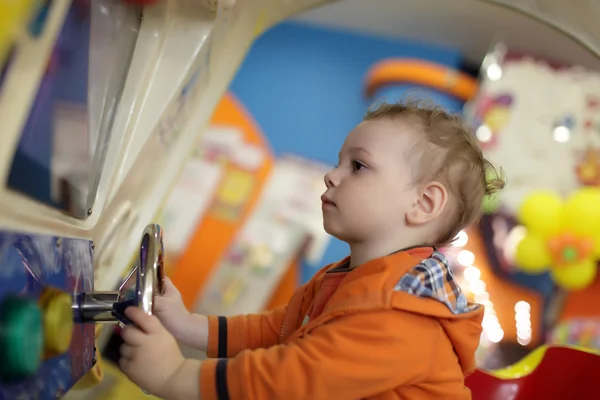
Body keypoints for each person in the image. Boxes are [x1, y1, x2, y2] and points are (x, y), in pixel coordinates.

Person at [119, 100, 505, 400]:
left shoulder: (403, 313)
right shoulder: (348, 277)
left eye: (358, 166)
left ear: (423, 204)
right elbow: (279, 329)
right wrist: (188, 324)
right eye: (340, 161)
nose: (331, 174)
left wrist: (175, 376)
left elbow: (292, 381)